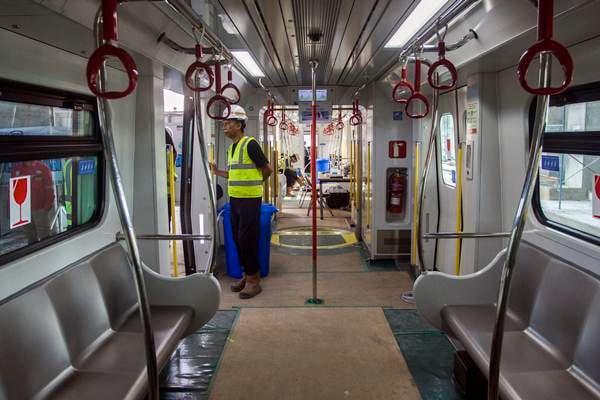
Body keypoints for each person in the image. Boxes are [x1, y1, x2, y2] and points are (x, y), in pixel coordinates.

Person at [210, 105, 272, 299]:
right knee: (238, 239)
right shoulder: (232, 148)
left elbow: (267, 169)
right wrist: (217, 172)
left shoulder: (250, 144)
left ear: (239, 124)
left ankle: (254, 281)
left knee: (247, 239)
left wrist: (255, 186)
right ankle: (248, 275)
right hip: (235, 200)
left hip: (250, 200)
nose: (224, 126)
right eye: (224, 123)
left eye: (228, 123)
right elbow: (235, 173)